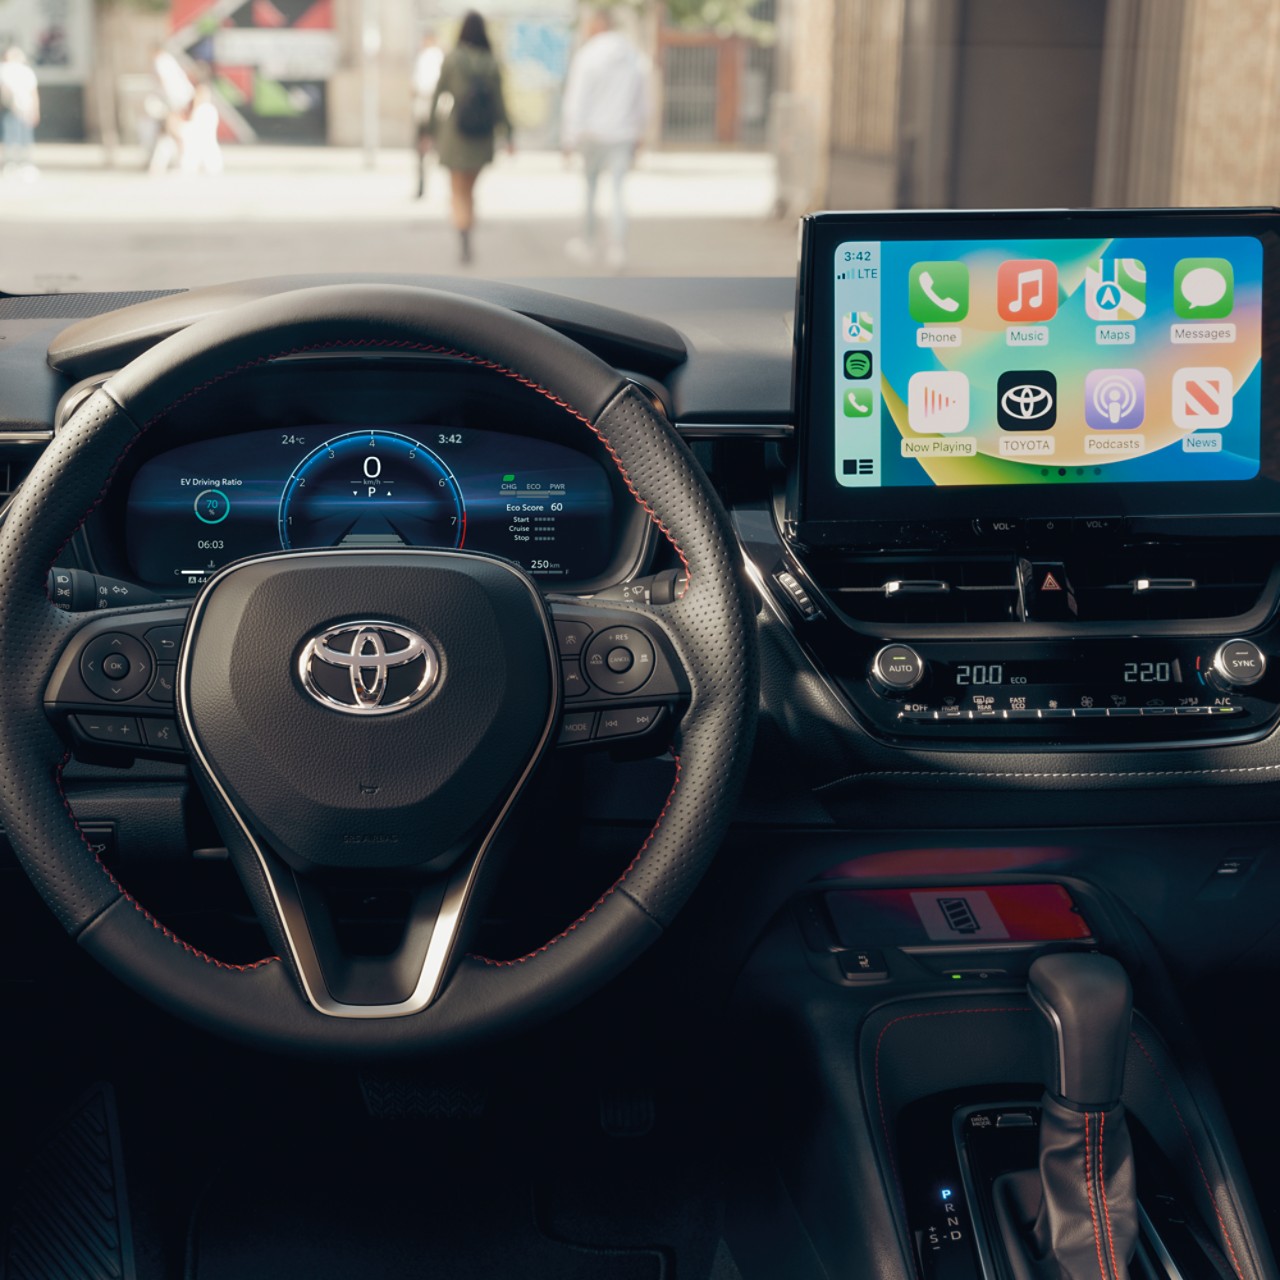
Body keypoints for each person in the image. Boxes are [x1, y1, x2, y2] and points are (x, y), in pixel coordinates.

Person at [560, 9, 650, 270]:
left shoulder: (587, 56)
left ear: (597, 26)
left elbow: (576, 101)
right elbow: (643, 101)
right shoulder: (634, 57)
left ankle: (588, 243)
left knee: (590, 190)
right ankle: (618, 248)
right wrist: (640, 132)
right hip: (623, 133)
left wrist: (569, 138)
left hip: (592, 134)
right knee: (619, 192)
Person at [427, 11, 512, 265]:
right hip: (482, 135)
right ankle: (468, 230)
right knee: (470, 190)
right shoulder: (492, 62)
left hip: (455, 132)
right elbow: (500, 103)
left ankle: (463, 237)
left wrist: (430, 130)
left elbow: (437, 96)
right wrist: (508, 132)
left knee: (457, 191)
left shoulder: (452, 59)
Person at [411, 30, 444, 200]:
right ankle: (424, 185)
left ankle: (424, 185)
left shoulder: (432, 56)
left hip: (428, 107)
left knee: (426, 148)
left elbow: (422, 85)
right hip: (429, 108)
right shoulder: (430, 56)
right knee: (427, 149)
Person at [0, 46, 40, 180]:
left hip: (22, 108)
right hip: (13, 109)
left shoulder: (24, 71)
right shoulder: (5, 69)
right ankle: (14, 164)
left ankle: (23, 164)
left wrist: (35, 109)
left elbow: (33, 93)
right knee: (13, 136)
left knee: (22, 136)